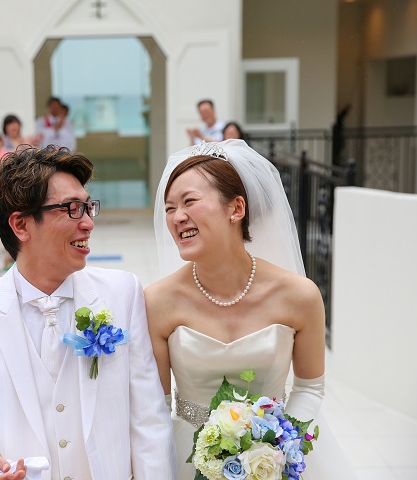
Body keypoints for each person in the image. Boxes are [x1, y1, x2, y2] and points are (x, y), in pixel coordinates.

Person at [0, 145, 176, 480]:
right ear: (21, 225)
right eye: (72, 209)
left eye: (88, 207)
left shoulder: (122, 292)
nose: (88, 223)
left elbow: (149, 418)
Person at [146, 140, 357, 479]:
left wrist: (274, 449)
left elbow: (309, 387)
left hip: (272, 462)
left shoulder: (299, 296)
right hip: (187, 459)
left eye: (189, 201)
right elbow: (156, 404)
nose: (177, 217)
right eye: (170, 208)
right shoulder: (157, 301)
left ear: (236, 208)